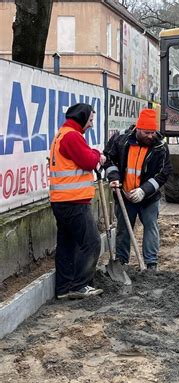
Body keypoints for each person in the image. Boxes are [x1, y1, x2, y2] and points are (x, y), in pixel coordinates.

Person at [49, 103, 106, 300]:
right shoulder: (72, 136)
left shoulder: (62, 134)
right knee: (91, 242)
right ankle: (81, 285)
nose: (90, 125)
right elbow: (89, 161)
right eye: (90, 120)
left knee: (67, 244)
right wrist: (98, 155)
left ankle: (64, 288)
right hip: (73, 202)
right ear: (82, 117)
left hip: (62, 201)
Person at [104, 109, 172, 271]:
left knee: (151, 226)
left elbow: (163, 173)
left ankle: (151, 263)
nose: (150, 136)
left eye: (153, 132)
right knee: (124, 228)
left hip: (148, 197)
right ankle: (121, 261)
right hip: (124, 194)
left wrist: (144, 190)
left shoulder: (160, 147)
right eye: (147, 133)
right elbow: (108, 158)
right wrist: (114, 177)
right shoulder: (121, 140)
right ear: (138, 129)